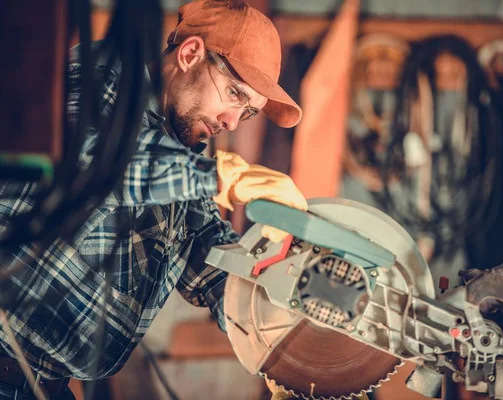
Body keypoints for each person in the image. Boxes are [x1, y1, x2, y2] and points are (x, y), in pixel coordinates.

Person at [0, 1, 307, 398]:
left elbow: (208, 256)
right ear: (190, 53)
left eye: (246, 112)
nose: (232, 121)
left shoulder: (180, 147)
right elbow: (96, 162)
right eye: (234, 94)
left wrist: (280, 333)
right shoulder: (97, 79)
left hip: (43, 384)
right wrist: (220, 176)